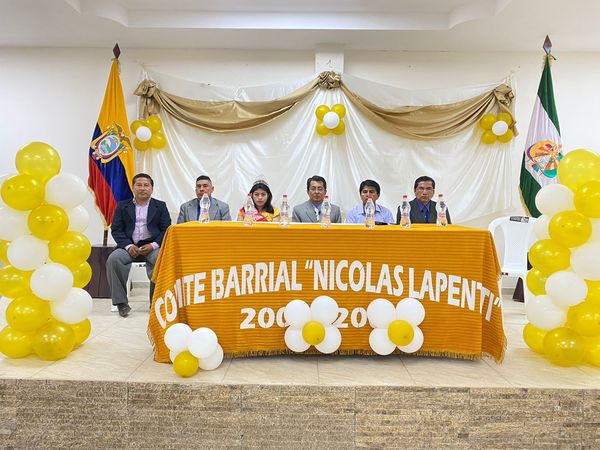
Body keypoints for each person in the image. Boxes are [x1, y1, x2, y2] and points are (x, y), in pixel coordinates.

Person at [106, 173, 171, 317]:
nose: (142, 188)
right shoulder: (123, 206)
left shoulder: (160, 206)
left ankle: (155, 302)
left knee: (160, 259)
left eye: (146, 185)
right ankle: (121, 303)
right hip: (128, 247)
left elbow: (166, 229)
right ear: (133, 188)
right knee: (114, 259)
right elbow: (116, 229)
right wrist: (129, 246)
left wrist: (153, 245)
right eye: (139, 185)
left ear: (152, 189)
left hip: (152, 247)